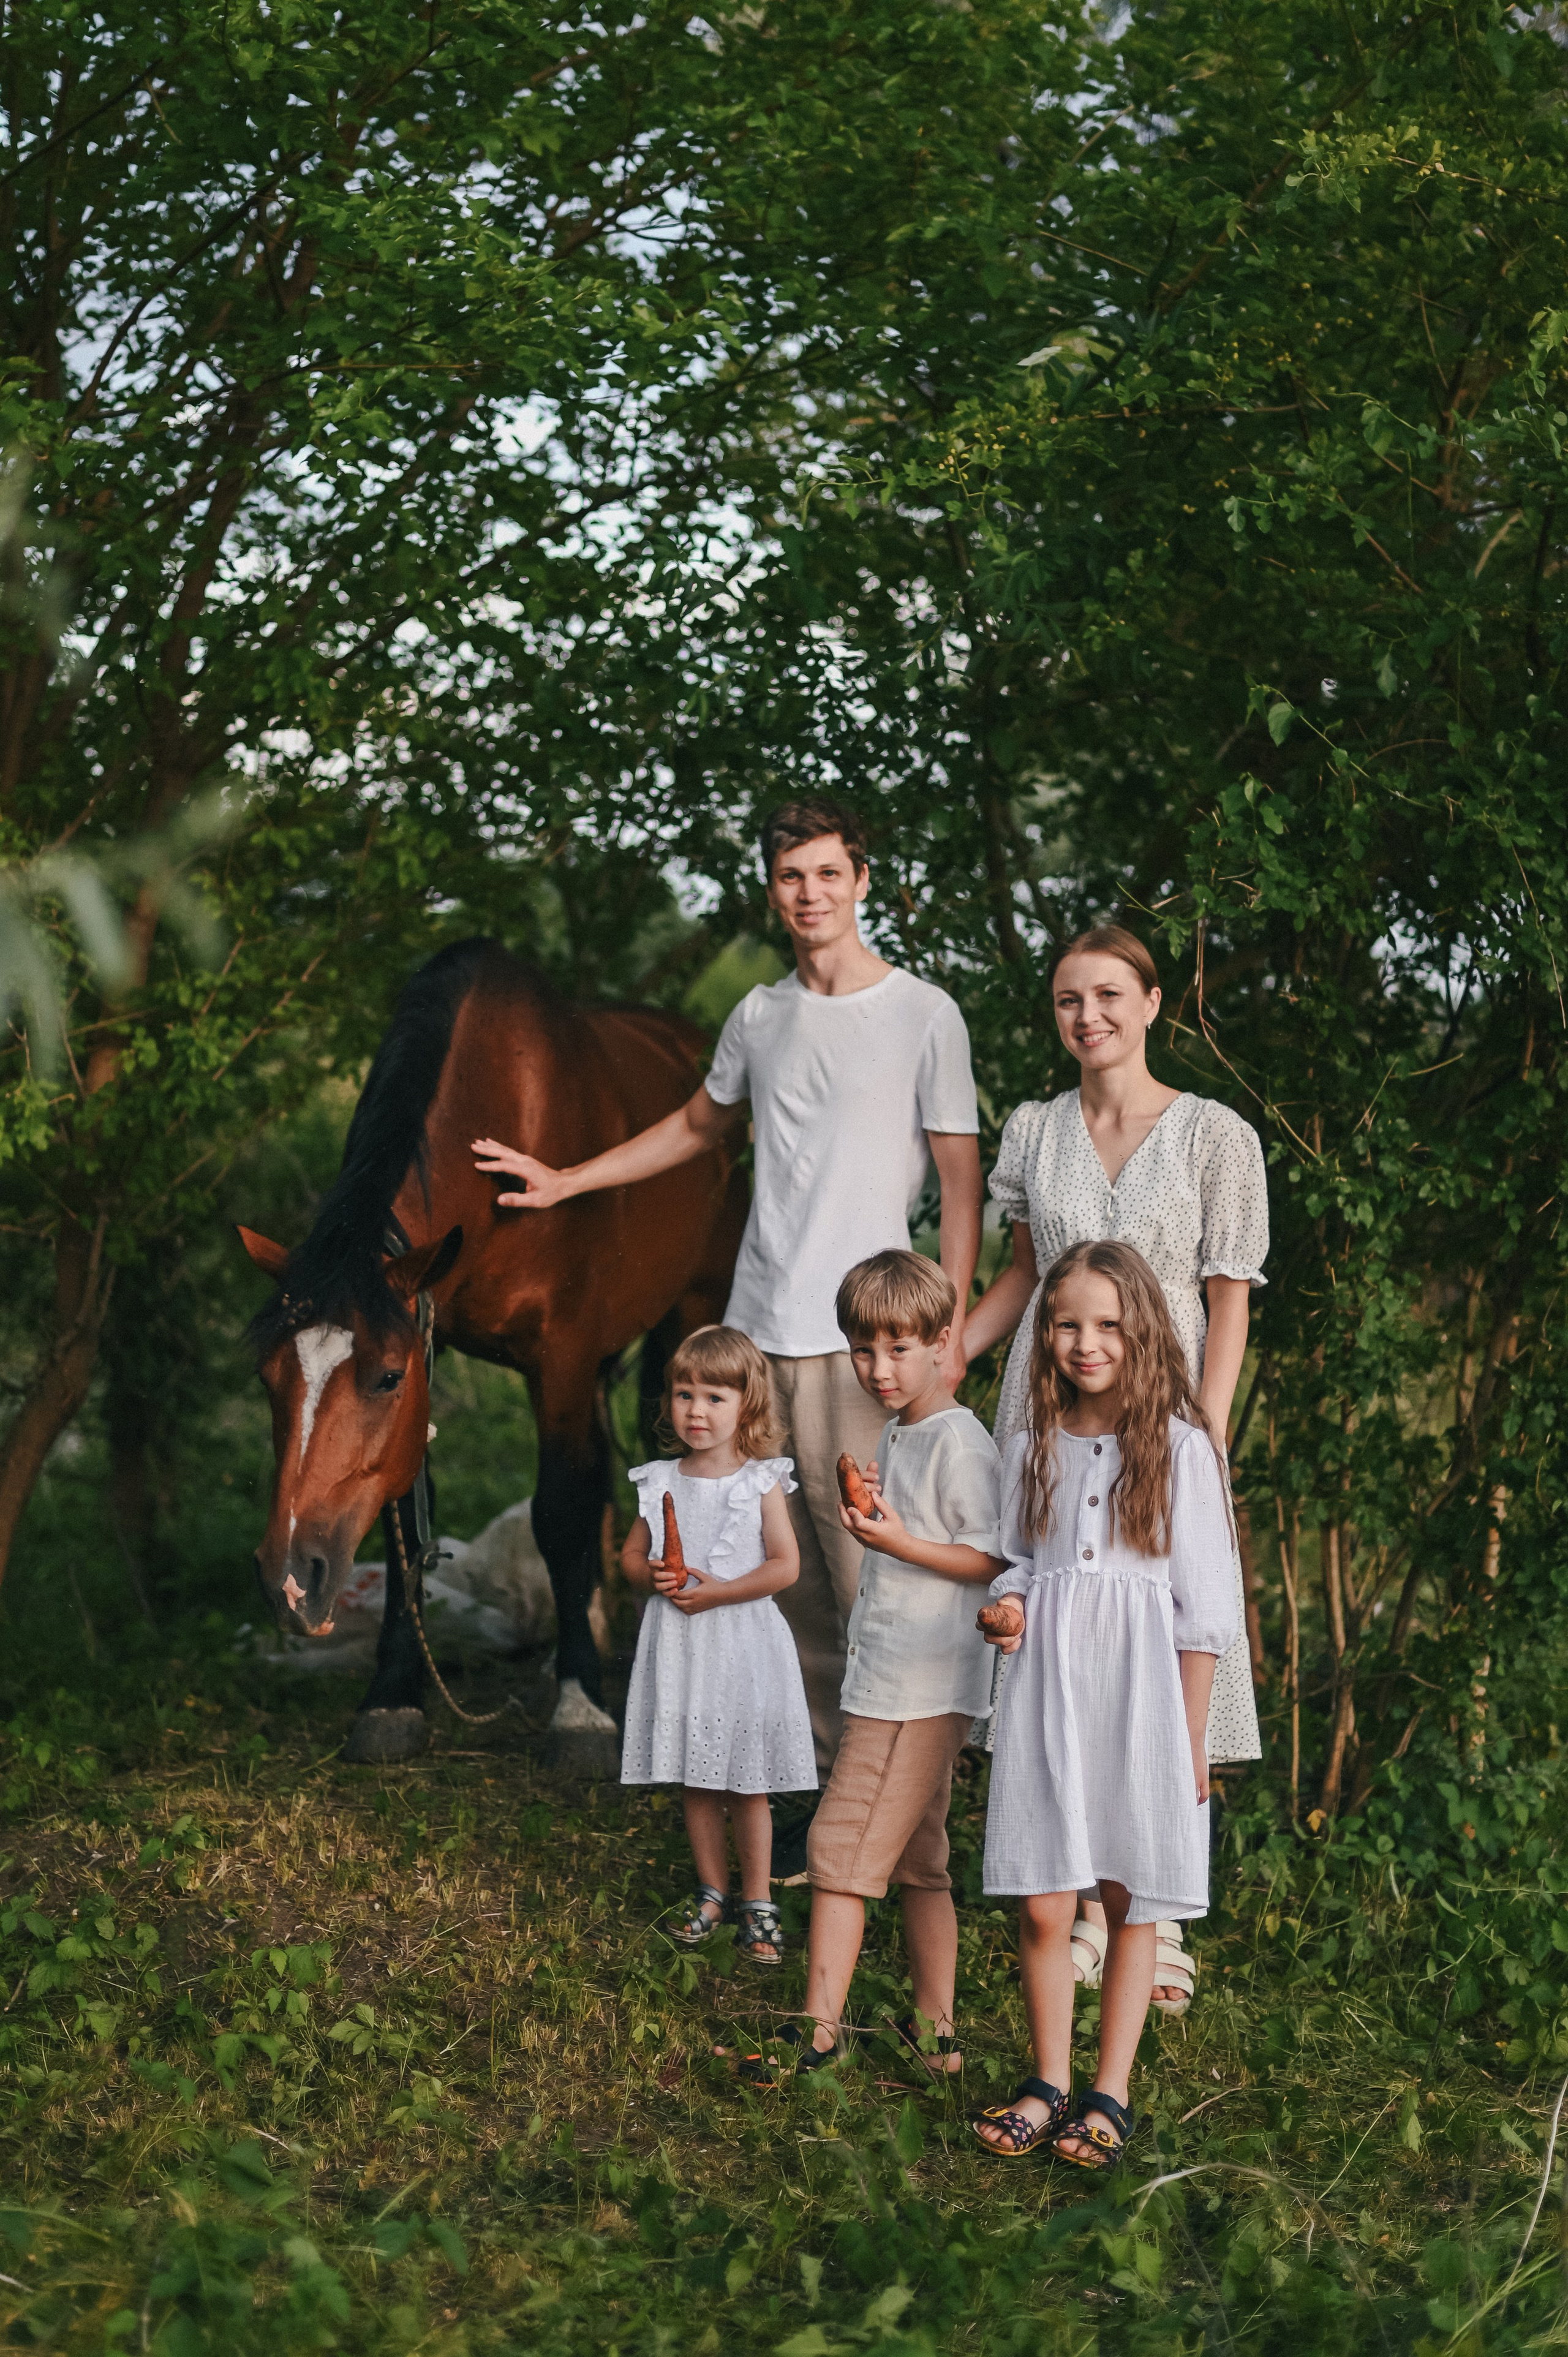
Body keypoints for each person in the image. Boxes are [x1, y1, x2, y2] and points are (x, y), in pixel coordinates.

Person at [473, 798, 982, 1797]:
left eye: (830, 873)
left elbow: (960, 1185)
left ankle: (887, 1788)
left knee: (864, 1574)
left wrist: (946, 1331)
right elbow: (696, 1126)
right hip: (754, 1333)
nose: (812, 893)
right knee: (774, 1572)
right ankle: (800, 1784)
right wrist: (568, 1179)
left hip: (862, 1341)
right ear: (772, 891)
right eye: (793, 877)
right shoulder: (759, 1014)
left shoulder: (926, 1013)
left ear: (862, 880)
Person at [963, 922, 1267, 2010]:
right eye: (1066, 1000)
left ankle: (1163, 1913)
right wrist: (951, 1350)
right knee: (1068, 1656)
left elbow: (1227, 1293)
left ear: (1149, 1004)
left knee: (1165, 1641)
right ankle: (1088, 1907)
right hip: (1049, 1411)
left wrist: (1211, 1422)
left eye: (1105, 996)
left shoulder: (1214, 1135)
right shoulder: (1037, 1130)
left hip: (1163, 1424)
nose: (1085, 1016)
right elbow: (1025, 1278)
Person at [971, 1241, 1236, 2166]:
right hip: (1050, 1690)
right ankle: (1047, 2080)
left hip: (1142, 1702)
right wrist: (1006, 1610)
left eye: (1108, 1325)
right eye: (1066, 1323)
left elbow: (1203, 1615)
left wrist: (1192, 1741)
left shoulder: (1182, 1449)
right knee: (1047, 1905)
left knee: (1129, 1900)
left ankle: (1108, 2092)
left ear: (1143, 1332)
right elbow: (1019, 1559)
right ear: (1046, 1334)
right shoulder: (1031, 1444)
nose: (1086, 1343)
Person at [756, 1251, 1001, 2080]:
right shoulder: (901, 1433)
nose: (879, 1370)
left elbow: (990, 1558)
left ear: (943, 1342)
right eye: (863, 1351)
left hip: (916, 1692)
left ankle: (817, 2031)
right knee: (918, 1863)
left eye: (899, 1350)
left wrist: (895, 1542)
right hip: (896, 1677)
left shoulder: (960, 1444)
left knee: (838, 1847)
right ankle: (937, 2037)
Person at [619, 1326, 814, 1967]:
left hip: (740, 1642)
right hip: (681, 1643)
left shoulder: (758, 1481)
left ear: (747, 1406)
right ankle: (711, 1889)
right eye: (683, 1394)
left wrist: (721, 1591)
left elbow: (784, 1566)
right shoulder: (659, 1479)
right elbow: (629, 1554)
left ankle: (757, 1897)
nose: (696, 1411)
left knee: (746, 1781)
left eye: (713, 1397)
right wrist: (650, 1573)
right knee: (696, 1777)